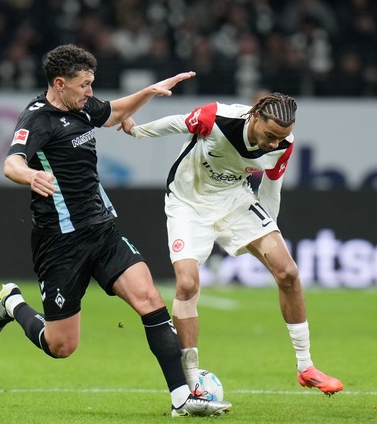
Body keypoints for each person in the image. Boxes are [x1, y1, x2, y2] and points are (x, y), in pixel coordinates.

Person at [0, 44, 232, 418]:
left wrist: (148, 92)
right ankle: (12, 303)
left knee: (149, 298)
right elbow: (11, 163)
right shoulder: (37, 119)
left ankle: (183, 398)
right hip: (60, 244)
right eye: (84, 85)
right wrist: (31, 174)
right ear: (59, 83)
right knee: (61, 346)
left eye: (92, 84)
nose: (90, 92)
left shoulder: (81, 106)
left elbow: (114, 112)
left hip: (102, 231)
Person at [119, 92, 343, 396]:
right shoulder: (218, 118)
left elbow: (270, 189)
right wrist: (136, 130)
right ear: (256, 117)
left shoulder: (283, 146)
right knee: (187, 284)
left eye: (282, 136)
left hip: (235, 202)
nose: (275, 143)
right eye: (271, 134)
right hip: (188, 204)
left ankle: (306, 367)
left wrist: (268, 231)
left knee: (288, 272)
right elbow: (177, 123)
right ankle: (191, 380)